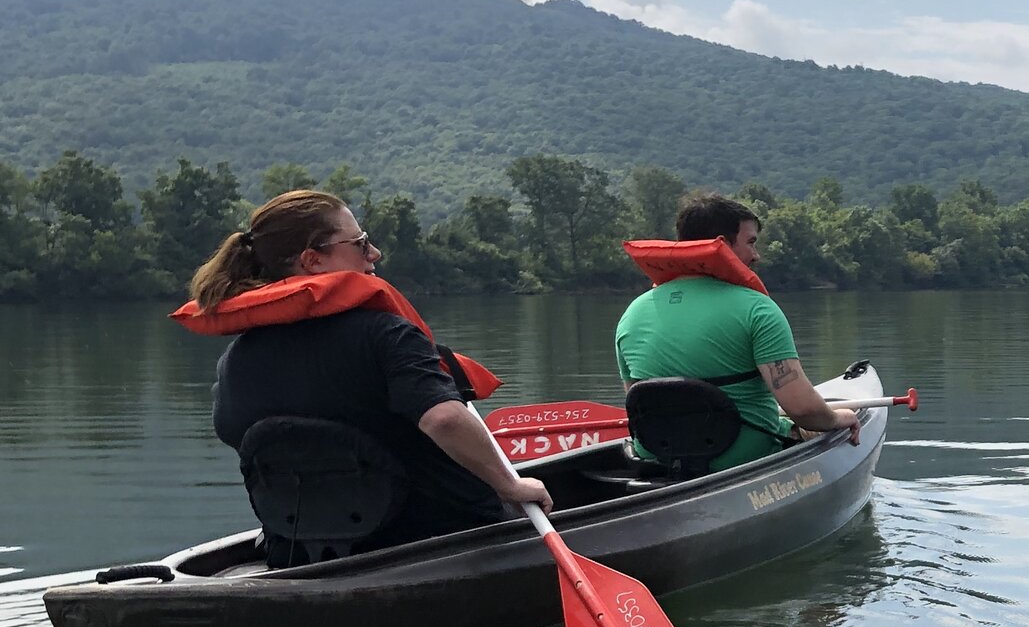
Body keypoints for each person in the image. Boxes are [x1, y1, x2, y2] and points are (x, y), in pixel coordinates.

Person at [188, 190, 552, 558]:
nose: (374, 253)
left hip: (303, 553)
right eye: (360, 243)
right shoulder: (387, 335)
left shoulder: (234, 361)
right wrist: (510, 485)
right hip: (446, 539)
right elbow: (444, 419)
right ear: (312, 259)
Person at [613, 192, 859, 470]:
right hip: (742, 454)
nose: (756, 255)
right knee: (807, 425)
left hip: (658, 458)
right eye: (751, 242)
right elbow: (802, 409)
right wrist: (840, 418)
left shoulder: (632, 314)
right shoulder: (757, 310)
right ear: (722, 245)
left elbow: (639, 405)